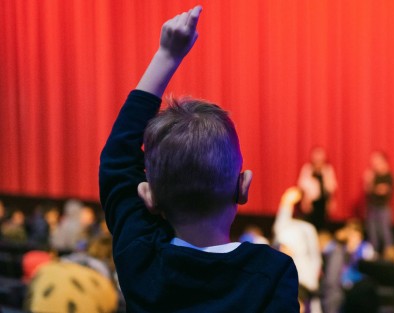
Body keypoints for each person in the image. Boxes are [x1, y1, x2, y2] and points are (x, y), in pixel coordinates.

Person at [99, 5, 298, 312]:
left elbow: (116, 160)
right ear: (243, 186)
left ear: (148, 196)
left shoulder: (141, 259)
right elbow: (117, 161)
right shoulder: (272, 273)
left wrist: (166, 56)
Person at [274, 187, 322, 312]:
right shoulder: (287, 226)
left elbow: (315, 256)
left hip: (303, 280)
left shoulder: (306, 228)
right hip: (295, 279)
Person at [297, 147, 338, 230]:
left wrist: (331, 201)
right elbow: (302, 186)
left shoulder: (327, 170)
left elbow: (332, 187)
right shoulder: (307, 169)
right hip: (311, 203)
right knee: (310, 226)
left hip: (323, 202)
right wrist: (305, 200)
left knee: (322, 226)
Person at [363, 151, 394, 252]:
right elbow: (368, 190)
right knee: (372, 234)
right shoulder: (373, 176)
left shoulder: (388, 176)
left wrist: (373, 187)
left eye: (377, 161)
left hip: (383, 208)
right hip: (372, 207)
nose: (374, 164)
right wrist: (369, 181)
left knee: (385, 232)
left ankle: (389, 255)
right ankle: (373, 255)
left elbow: (383, 190)